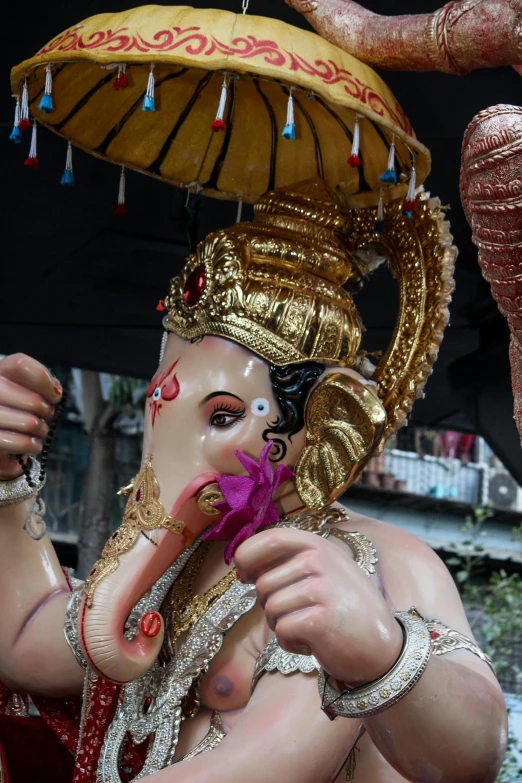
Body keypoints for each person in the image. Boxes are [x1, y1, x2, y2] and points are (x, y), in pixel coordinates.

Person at [0, 180, 507, 783]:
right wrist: (10, 474)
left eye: (225, 417)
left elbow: (471, 752)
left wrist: (380, 649)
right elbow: (29, 643)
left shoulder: (359, 563)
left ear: (328, 419)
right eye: (162, 406)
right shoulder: (179, 563)